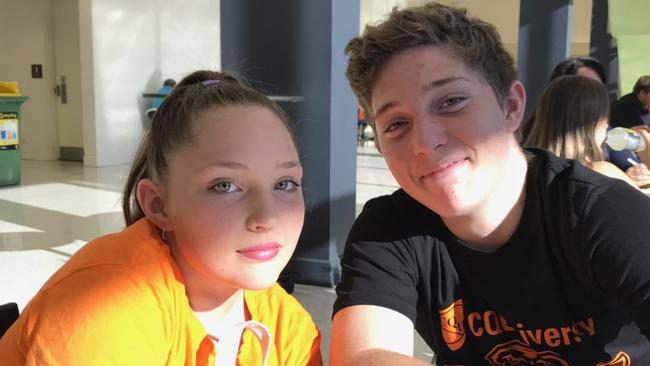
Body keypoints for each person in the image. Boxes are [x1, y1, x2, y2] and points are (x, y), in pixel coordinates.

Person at [331, 3, 650, 366]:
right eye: (396, 124)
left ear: (511, 106)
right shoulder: (389, 230)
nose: (424, 142)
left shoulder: (604, 212)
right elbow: (365, 355)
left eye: (451, 101)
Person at [0, 70, 323, 365]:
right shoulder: (107, 306)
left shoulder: (289, 327)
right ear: (157, 204)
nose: (267, 217)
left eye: (285, 183)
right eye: (224, 185)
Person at [524, 75, 642, 188]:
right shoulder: (601, 172)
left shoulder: (522, 169)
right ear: (592, 123)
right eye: (604, 116)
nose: (607, 125)